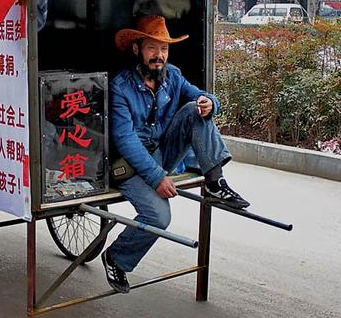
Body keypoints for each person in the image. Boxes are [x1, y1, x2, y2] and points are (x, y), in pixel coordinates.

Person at [101, 15, 250, 294]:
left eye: (164, 49)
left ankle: (215, 182)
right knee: (159, 219)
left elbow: (203, 96)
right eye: (152, 48)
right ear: (137, 49)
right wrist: (157, 177)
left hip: (164, 152)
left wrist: (210, 103)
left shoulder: (174, 76)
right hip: (130, 163)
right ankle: (116, 257)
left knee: (195, 107)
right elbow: (125, 139)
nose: (159, 56)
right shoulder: (120, 87)